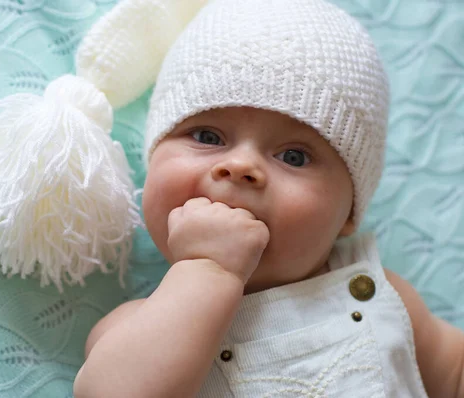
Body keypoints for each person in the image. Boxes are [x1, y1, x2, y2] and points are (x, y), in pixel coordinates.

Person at [73, 0, 464, 396]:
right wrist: (208, 271)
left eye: (294, 157)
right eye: (208, 136)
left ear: (349, 213)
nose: (241, 165)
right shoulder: (135, 331)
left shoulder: (382, 296)